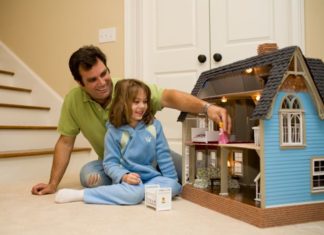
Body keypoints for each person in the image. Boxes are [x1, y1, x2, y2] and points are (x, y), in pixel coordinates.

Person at [31, 45, 231, 196]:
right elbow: (65, 142)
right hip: (116, 163)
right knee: (88, 177)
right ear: (79, 83)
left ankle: (135, 187)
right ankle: (135, 186)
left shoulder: (129, 90)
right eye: (92, 80)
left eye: (104, 74)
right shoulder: (73, 101)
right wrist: (53, 184)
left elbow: (169, 97)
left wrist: (207, 107)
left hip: (149, 157)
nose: (102, 83)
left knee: (188, 174)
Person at [55, 79, 182, 204]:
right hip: (127, 179)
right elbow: (110, 163)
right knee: (134, 194)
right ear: (122, 104)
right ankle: (82, 195)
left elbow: (164, 156)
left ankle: (133, 193)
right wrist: (124, 176)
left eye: (145, 101)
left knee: (174, 186)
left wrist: (172, 181)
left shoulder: (154, 126)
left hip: (151, 179)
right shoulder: (114, 131)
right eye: (136, 102)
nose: (142, 106)